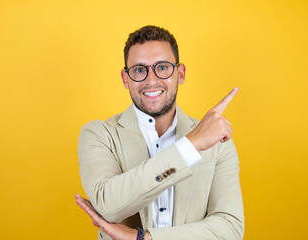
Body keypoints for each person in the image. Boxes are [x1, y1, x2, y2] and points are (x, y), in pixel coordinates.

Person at [76, 25, 244, 240]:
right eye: (139, 70)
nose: (151, 80)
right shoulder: (99, 134)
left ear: (180, 73)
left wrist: (143, 238)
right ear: (125, 78)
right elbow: (109, 207)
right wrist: (189, 146)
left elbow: (230, 229)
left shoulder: (217, 140)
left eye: (162, 67)